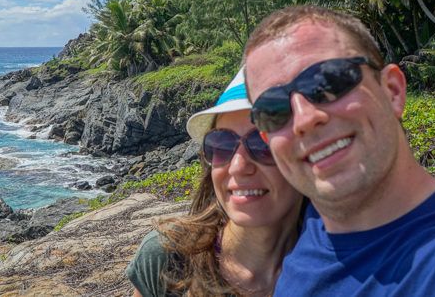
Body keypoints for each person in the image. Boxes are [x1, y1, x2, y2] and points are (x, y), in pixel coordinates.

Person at [243, 5, 435, 296]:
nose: (305, 120)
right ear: (267, 139)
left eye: (328, 81)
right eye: (273, 110)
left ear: (393, 91)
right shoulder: (302, 238)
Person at [125, 68, 304, 296]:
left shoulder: (345, 272)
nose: (238, 166)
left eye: (263, 143)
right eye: (222, 144)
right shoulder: (167, 258)